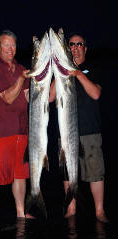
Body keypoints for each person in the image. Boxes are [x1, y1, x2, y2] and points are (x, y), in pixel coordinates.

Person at [50, 33, 109, 223]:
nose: (75, 47)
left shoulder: (93, 68)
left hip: (90, 131)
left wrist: (77, 73)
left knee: (95, 173)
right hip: (66, 133)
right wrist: (59, 71)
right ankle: (71, 207)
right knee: (67, 172)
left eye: (79, 44)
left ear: (85, 48)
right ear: (68, 49)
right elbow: (50, 98)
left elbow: (96, 94)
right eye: (72, 44)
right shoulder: (61, 71)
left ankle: (99, 211)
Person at [0, 30, 33, 231]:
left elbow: (29, 97)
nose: (10, 49)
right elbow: (8, 98)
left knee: (21, 175)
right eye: (6, 45)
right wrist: (22, 79)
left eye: (13, 45)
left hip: (22, 131)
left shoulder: (22, 68)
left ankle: (21, 212)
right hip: (1, 133)